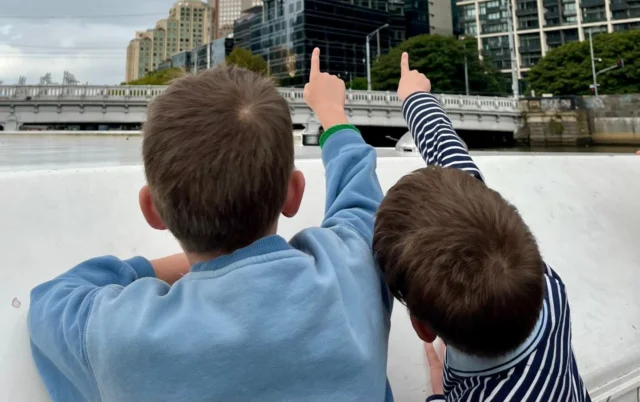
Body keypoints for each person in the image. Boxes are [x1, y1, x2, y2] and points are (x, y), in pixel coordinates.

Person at [28, 51, 393, 402]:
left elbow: (50, 301)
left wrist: (165, 268)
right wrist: (331, 112)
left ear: (152, 210)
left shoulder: (121, 334)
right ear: (293, 193)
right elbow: (361, 199)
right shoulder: (353, 270)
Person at [373, 53, 591, 402]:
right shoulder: (548, 289)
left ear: (422, 328)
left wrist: (440, 394)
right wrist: (416, 100)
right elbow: (462, 173)